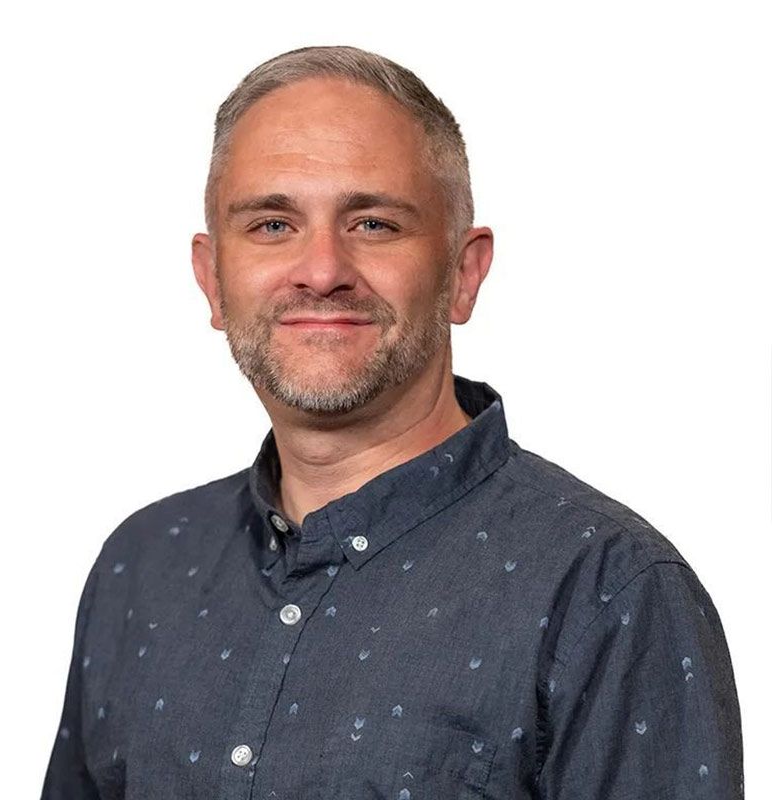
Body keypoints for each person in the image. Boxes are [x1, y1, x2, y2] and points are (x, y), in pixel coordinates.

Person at [41, 45, 744, 799]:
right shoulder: (143, 563)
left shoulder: (608, 589)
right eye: (273, 225)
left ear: (462, 274)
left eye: (373, 224)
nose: (321, 269)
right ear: (213, 280)